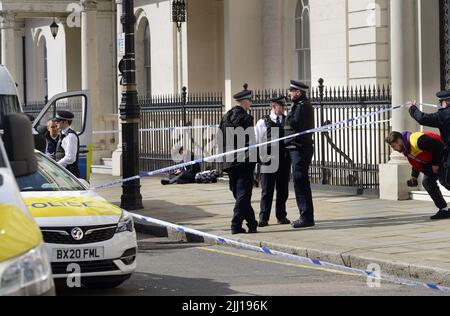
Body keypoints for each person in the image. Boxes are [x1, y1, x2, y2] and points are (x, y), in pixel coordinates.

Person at [219, 89, 258, 235]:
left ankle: (252, 223)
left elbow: (220, 139)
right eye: (250, 101)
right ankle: (235, 225)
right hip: (243, 162)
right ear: (245, 101)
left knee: (239, 194)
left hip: (230, 161)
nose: (251, 103)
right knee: (243, 195)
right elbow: (250, 142)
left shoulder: (226, 116)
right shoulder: (246, 119)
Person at [386, 131, 449, 220]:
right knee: (427, 182)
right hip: (434, 161)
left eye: (393, 146)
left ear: (398, 141)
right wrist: (414, 176)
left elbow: (438, 145)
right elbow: (416, 160)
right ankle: (444, 210)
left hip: (445, 155)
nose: (394, 149)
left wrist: (435, 164)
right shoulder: (406, 148)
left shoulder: (417, 140)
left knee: (445, 180)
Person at [255, 96, 291, 227]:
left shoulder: (287, 120)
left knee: (283, 190)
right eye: (281, 106)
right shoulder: (262, 122)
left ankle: (281, 216)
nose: (283, 108)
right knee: (267, 190)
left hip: (284, 160)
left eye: (284, 106)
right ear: (274, 106)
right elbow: (257, 142)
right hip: (268, 160)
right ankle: (263, 218)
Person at [284, 80, 315, 229]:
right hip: (296, 147)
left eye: (291, 90)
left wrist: (287, 115)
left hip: (300, 148)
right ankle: (305, 214)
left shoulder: (303, 107)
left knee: (300, 182)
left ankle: (306, 217)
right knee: (298, 183)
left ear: (298, 92)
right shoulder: (299, 105)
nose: (289, 93)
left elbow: (295, 124)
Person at [55, 111, 80, 177]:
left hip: (68, 173)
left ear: (65, 122)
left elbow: (70, 158)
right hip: (64, 172)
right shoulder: (63, 134)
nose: (56, 122)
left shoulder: (70, 136)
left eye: (58, 121)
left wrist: (55, 165)